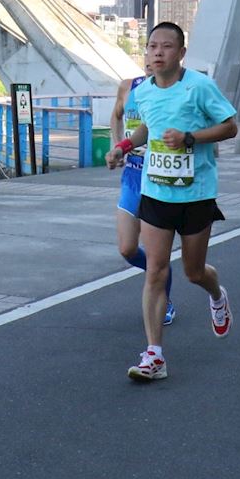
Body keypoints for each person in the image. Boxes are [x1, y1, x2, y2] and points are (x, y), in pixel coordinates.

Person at [107, 22, 237, 382]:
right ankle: (155, 355)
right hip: (157, 191)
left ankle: (217, 294)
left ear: (181, 53)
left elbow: (230, 127)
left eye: (166, 47)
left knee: (194, 272)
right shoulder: (143, 92)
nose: (157, 52)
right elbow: (147, 127)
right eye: (152, 47)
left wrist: (190, 138)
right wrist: (124, 146)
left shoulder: (200, 87)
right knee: (156, 271)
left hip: (196, 194)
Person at [108, 70, 175, 326]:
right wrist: (117, 146)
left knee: (160, 257)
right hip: (132, 175)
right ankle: (159, 272)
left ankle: (164, 298)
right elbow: (116, 116)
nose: (155, 57)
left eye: (163, 49)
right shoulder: (128, 86)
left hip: (159, 178)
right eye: (151, 49)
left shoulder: (176, 88)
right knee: (127, 248)